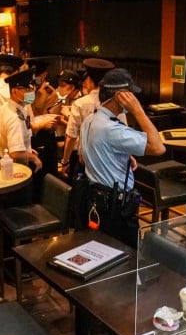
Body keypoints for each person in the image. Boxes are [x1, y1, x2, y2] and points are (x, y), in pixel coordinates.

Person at [79, 69, 165, 247]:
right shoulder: (112, 129)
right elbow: (158, 147)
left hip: (94, 198)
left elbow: (82, 157)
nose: (134, 98)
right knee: (128, 256)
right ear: (121, 96)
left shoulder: (90, 119)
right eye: (131, 95)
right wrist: (138, 111)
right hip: (115, 208)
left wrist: (117, 156)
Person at [62, 58, 116, 176]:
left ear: (90, 80)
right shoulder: (116, 102)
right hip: (111, 161)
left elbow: (71, 137)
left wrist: (65, 161)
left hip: (86, 162)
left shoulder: (80, 104)